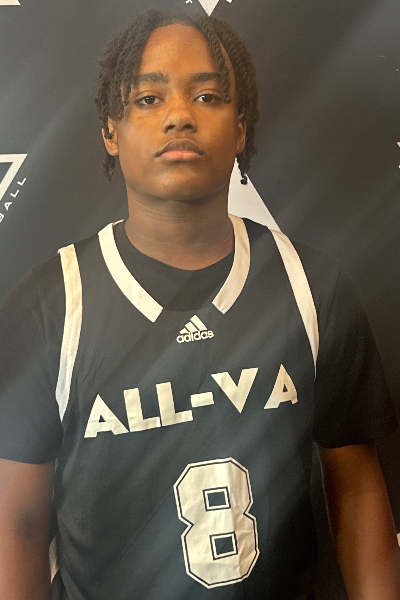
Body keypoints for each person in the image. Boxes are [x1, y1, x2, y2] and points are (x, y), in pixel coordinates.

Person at [0, 9, 399, 600]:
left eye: (208, 96)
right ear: (110, 130)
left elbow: (358, 488)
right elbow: (17, 522)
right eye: (148, 99)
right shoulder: (51, 306)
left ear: (240, 128)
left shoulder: (311, 286)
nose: (180, 115)